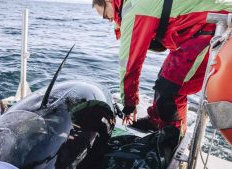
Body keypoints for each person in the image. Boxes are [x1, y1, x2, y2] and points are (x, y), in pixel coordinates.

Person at [92, 0, 232, 134]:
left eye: (105, 16)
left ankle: (174, 135)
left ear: (109, 1)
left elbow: (129, 64)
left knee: (169, 88)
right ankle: (156, 120)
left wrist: (129, 104)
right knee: (163, 78)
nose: (110, 20)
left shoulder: (134, 10)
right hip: (193, 32)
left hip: (214, 26)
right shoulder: (134, 4)